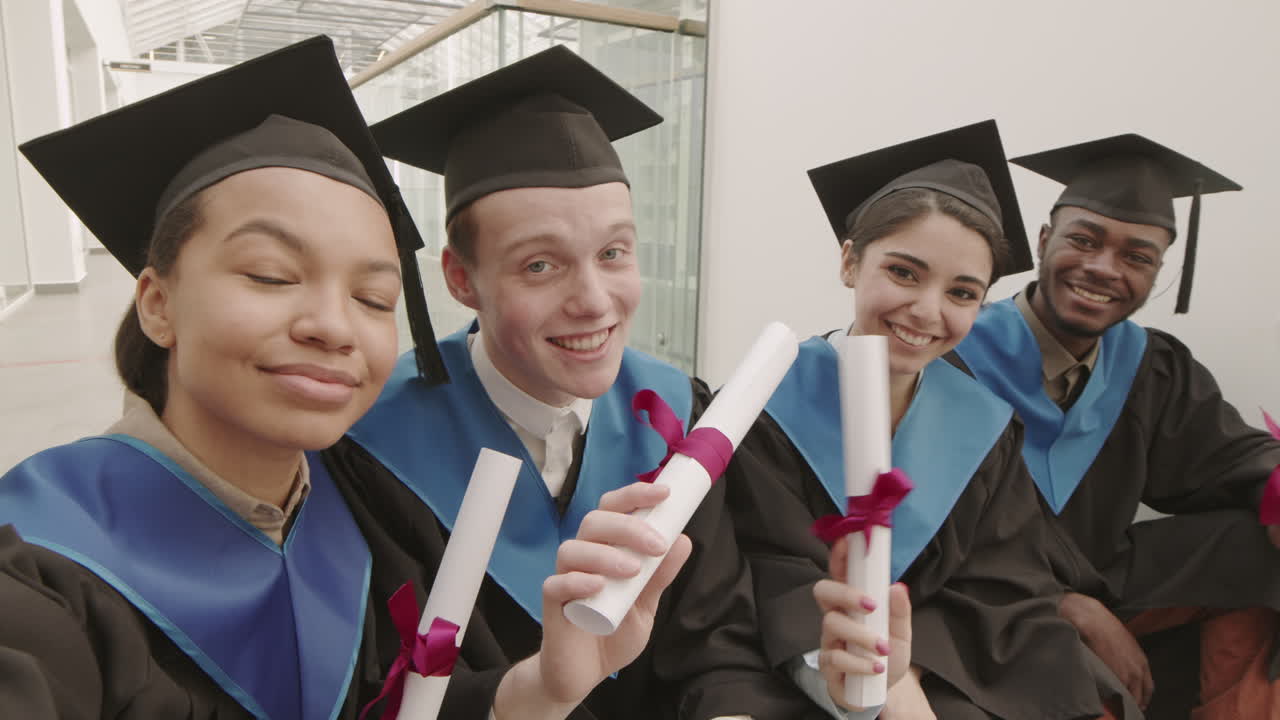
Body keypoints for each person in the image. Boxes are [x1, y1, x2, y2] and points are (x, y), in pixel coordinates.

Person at [0, 37, 685, 720]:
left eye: (373, 299)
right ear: (156, 302)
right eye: (271, 275)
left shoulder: (352, 525)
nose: (332, 326)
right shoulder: (40, 564)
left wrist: (539, 690)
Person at [327, 45, 817, 719]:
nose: (593, 300)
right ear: (461, 278)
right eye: (539, 266)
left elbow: (714, 643)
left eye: (614, 253)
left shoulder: (673, 419)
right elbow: (381, 685)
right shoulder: (371, 445)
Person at [725, 121, 1140, 719]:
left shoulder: (985, 424)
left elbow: (1004, 589)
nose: (927, 311)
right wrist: (880, 688)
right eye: (903, 272)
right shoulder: (765, 407)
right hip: (798, 669)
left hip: (944, 666)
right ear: (849, 261)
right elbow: (768, 574)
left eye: (963, 293)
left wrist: (909, 671)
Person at [955, 134, 1280, 718]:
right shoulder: (952, 356)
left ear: (1158, 272)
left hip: (1103, 573)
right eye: (1084, 240)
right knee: (1071, 673)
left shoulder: (1151, 366)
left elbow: (1230, 460)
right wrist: (1062, 603)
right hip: (983, 599)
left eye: (1137, 255)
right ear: (1045, 240)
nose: (1104, 268)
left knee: (1259, 548)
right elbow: (923, 538)